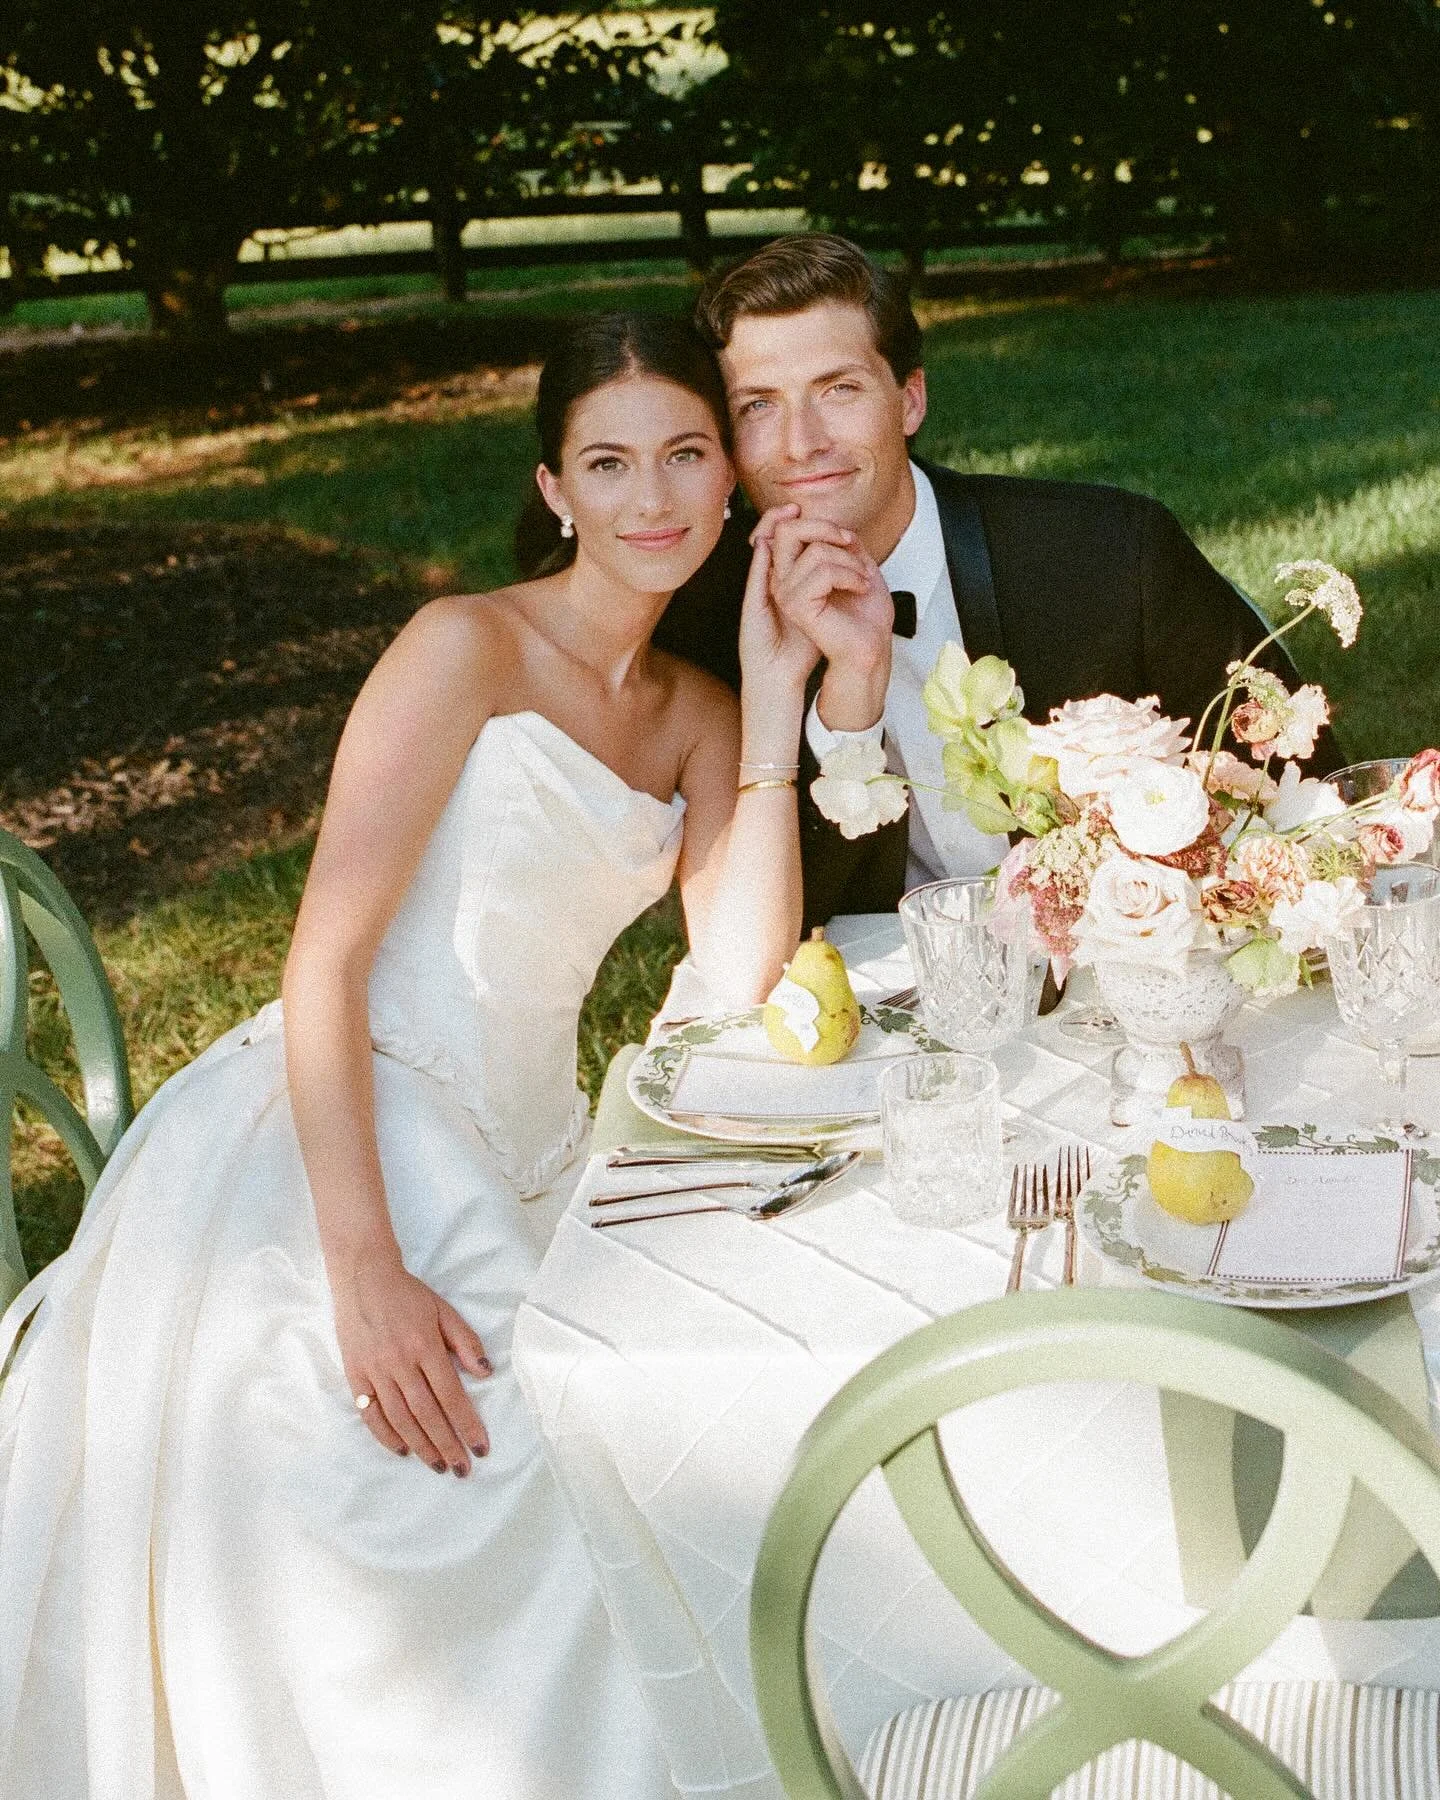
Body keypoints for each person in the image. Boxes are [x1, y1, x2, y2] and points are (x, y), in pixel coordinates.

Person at [0, 313, 817, 1800]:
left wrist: (773, 690)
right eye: (610, 463)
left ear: (730, 476)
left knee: (671, 1416)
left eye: (688, 455)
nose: (654, 500)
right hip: (341, 1126)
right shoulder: (464, 647)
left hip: (540, 1148)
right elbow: (325, 958)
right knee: (500, 1468)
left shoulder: (696, 711)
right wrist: (362, 1273)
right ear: (555, 488)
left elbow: (742, 977)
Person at [655, 232, 1341, 929]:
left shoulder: (1110, 554)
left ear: (910, 400)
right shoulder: (708, 629)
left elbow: (1311, 806)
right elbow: (782, 933)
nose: (802, 442)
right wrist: (846, 711)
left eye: (838, 389)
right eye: (759, 406)